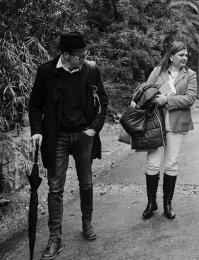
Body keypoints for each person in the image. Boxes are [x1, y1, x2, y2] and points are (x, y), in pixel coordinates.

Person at [29, 31, 109, 259]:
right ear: (65, 54)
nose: (85, 58)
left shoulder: (91, 70)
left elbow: (103, 101)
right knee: (55, 188)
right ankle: (55, 238)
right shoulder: (46, 72)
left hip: (84, 135)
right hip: (57, 137)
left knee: (86, 182)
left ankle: (87, 223)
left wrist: (94, 127)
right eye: (80, 55)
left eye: (86, 54)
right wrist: (36, 131)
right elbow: (35, 105)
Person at [141, 41, 197, 219]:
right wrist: (155, 98)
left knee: (171, 162)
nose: (184, 58)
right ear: (171, 56)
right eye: (181, 55)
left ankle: (167, 203)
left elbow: (190, 99)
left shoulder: (190, 75)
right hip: (154, 123)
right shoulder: (157, 72)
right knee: (153, 162)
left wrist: (167, 100)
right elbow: (145, 92)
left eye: (186, 55)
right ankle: (151, 203)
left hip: (177, 123)